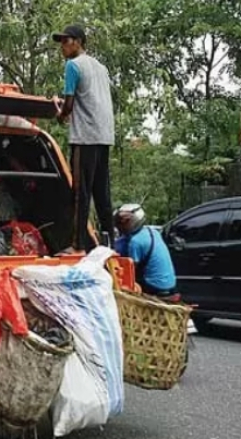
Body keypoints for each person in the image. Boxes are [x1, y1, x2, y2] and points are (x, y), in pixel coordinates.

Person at [52, 24, 115, 253]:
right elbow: (89, 99)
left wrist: (60, 115)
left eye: (66, 41)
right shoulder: (100, 67)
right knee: (102, 193)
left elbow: (69, 105)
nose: (62, 47)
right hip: (103, 135)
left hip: (85, 137)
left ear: (78, 42)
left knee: (80, 193)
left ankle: (77, 245)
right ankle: (110, 243)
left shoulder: (73, 65)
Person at [114, 204, 177, 299]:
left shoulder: (135, 242)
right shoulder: (153, 231)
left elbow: (131, 271)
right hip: (171, 285)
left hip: (153, 286)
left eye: (124, 222)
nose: (121, 226)